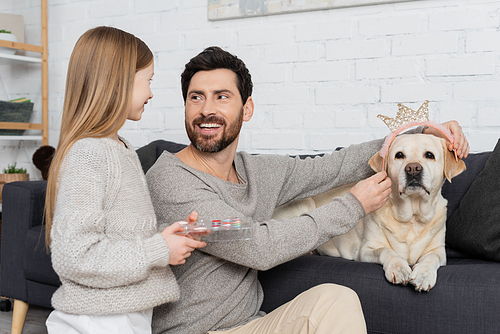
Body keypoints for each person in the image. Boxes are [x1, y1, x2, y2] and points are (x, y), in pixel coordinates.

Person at [146, 46, 470, 334]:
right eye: (195, 97)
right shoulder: (172, 181)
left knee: (336, 300)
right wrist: (353, 205)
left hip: (251, 324)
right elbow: (254, 243)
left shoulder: (257, 171)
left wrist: (421, 132)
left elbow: (334, 167)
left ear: (247, 109)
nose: (206, 109)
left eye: (222, 96)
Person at [43, 26, 206, 334]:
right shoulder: (89, 153)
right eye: (148, 81)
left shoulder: (120, 148)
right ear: (117, 84)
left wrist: (167, 235)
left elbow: (120, 233)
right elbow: (75, 255)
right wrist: (159, 249)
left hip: (121, 317)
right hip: (99, 322)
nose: (151, 92)